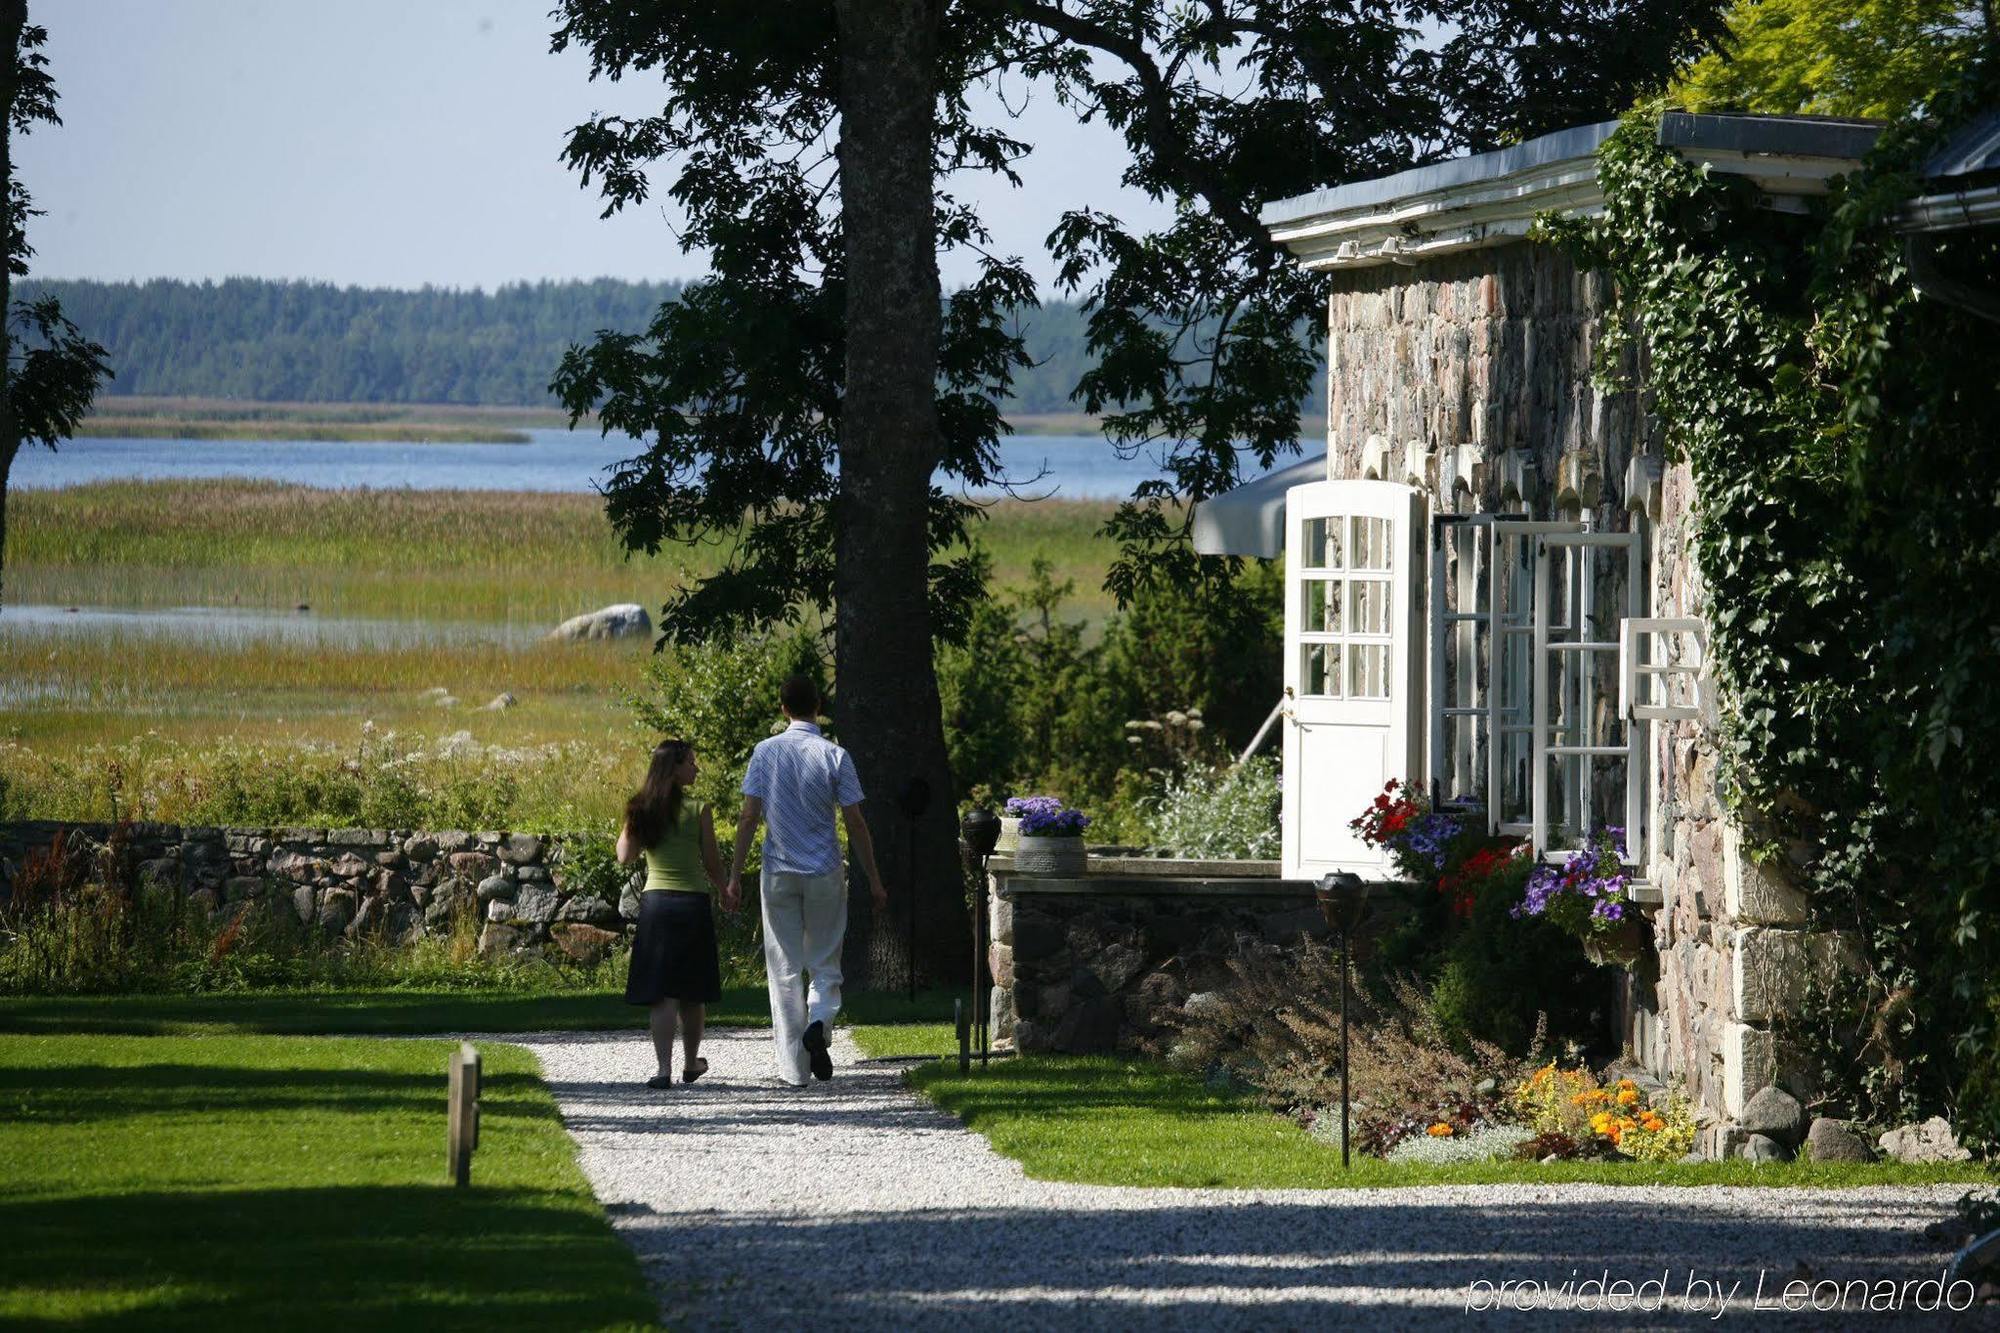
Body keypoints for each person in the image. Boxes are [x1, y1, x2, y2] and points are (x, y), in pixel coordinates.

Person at [724, 674, 887, 1085]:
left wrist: (733, 875)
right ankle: (820, 1023)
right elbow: (856, 823)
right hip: (824, 871)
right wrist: (875, 879)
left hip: (778, 870)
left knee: (784, 966)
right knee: (825, 961)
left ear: (783, 708)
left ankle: (794, 1070)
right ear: (819, 706)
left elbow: (748, 816)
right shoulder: (835, 755)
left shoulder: (764, 753)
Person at [618, 739, 728, 1089]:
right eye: (691, 762)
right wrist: (727, 889)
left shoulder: (642, 808)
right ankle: (691, 1063)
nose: (696, 768)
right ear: (674, 768)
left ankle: (663, 1070)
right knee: (691, 992)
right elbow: (711, 862)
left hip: (656, 904)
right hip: (692, 902)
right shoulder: (698, 808)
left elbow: (625, 855)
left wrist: (630, 819)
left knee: (662, 992)